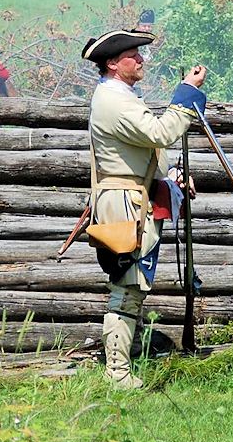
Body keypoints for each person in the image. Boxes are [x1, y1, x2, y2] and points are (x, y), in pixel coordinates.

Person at [82, 29, 206, 388]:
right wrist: (185, 95)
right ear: (112, 63)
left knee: (133, 286)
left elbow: (147, 148)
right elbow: (160, 132)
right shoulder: (113, 99)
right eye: (133, 56)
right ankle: (117, 373)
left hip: (133, 196)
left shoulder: (121, 95)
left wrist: (172, 175)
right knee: (128, 287)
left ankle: (126, 361)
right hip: (125, 202)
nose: (140, 60)